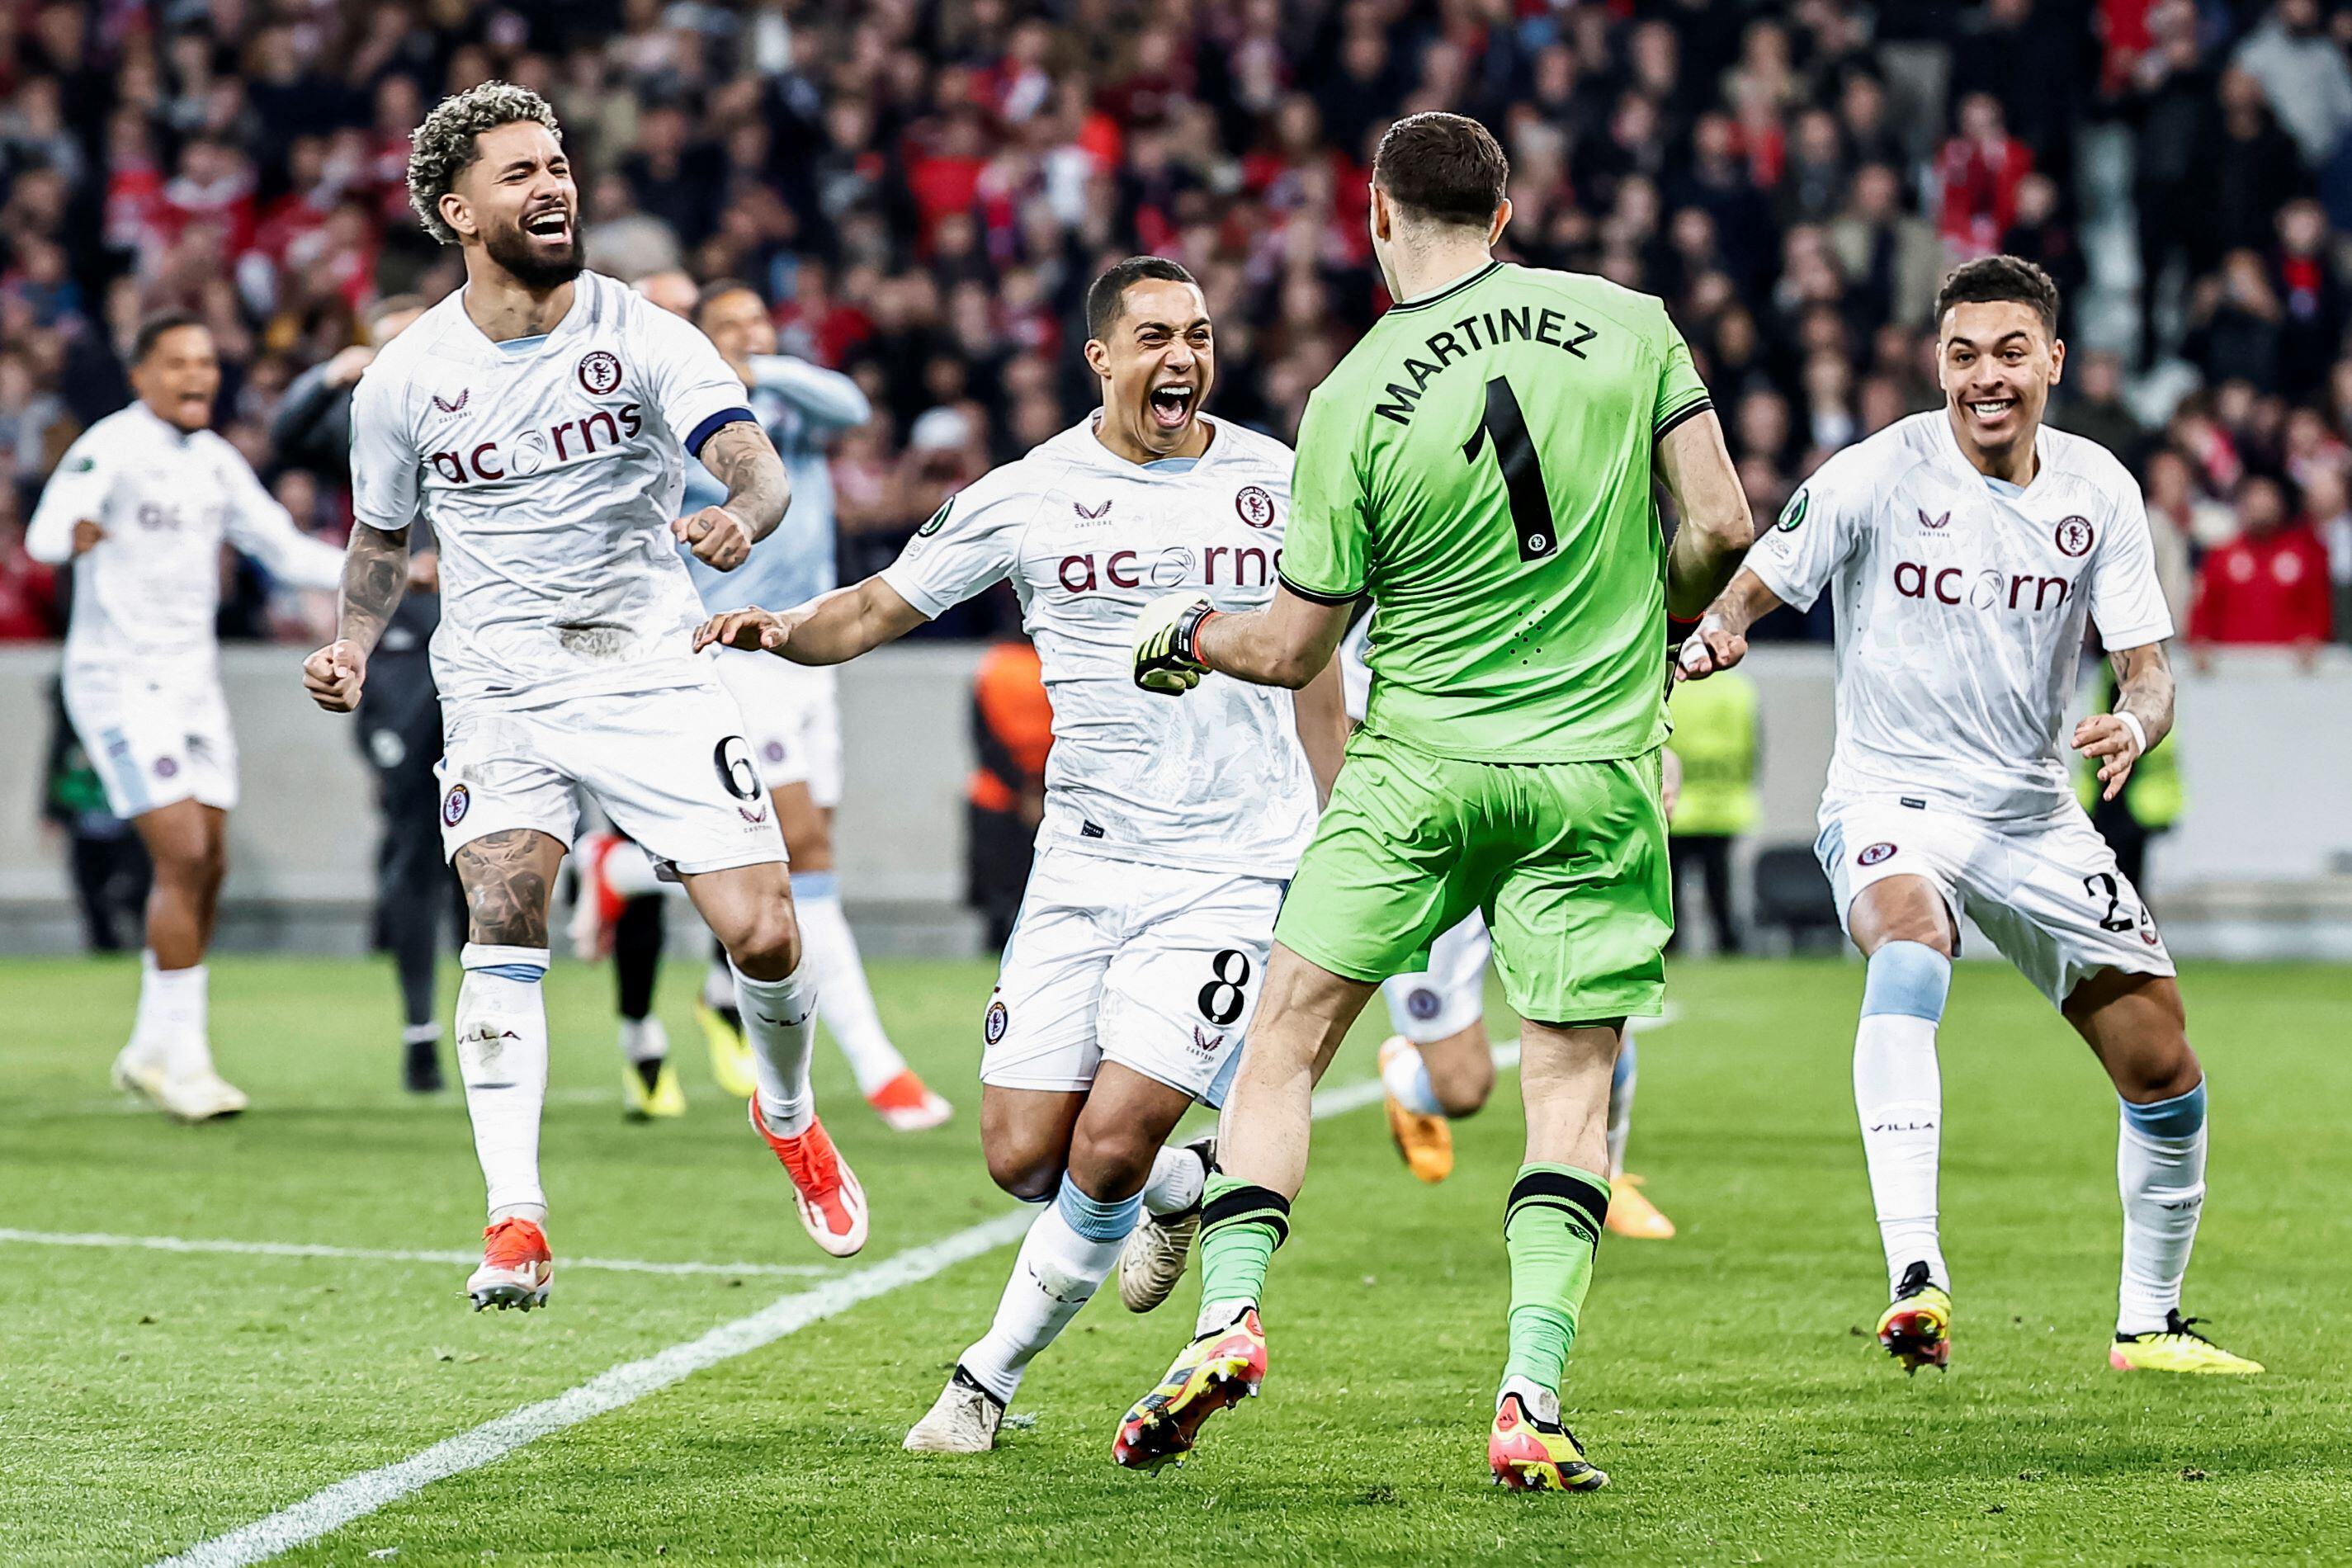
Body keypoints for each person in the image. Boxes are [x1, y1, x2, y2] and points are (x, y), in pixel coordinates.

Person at [1116, 113, 1752, 1489]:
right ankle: (1528, 1394)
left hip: (1417, 774)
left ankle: (1228, 1318)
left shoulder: (1348, 399)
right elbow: (1720, 529)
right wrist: (1660, 619)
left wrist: (1188, 637)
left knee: (1283, 1046)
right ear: (1507, 212)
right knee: (1568, 1082)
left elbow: (1289, 650)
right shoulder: (1630, 324)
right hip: (1591, 770)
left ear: (1377, 217)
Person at [695, 256, 1348, 1453]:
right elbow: (879, 606)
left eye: (1199, 335)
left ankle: (979, 1386)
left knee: (1101, 1143)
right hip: (1082, 867)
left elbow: (1320, 664)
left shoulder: (1279, 479)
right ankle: (1174, 1184)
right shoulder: (1031, 492)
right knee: (1019, 1156)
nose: (1184, 359)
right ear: (1099, 357)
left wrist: (1341, 809)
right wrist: (779, 630)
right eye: (1155, 336)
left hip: (1230, 866)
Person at [300, 82, 865, 1314]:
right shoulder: (404, 379)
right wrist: (350, 642)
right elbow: (381, 537)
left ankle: (790, 1113)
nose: (553, 185)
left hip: (648, 669)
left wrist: (741, 516)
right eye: (519, 173)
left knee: (765, 933)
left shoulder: (646, 332)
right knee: (502, 918)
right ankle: (516, 1218)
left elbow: (751, 462)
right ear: (457, 210)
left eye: (558, 164)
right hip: (499, 685)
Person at [1678, 254, 2261, 1378]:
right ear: (1933, 364)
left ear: (2050, 359)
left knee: (2164, 1070)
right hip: (1892, 794)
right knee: (1910, 937)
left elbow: (2146, 670)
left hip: (2033, 817)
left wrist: (2135, 727)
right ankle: (1913, 1271)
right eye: (1958, 355)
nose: (1981, 378)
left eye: (2005, 353)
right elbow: (1767, 568)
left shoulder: (2098, 490)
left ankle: (2146, 1323)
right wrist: (1723, 626)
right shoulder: (1878, 469)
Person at [575, 276, 951, 1132]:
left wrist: (761, 362)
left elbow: (850, 402)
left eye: (759, 321)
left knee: (800, 859)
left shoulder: (789, 403)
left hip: (811, 643)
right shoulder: (688, 416)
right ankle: (877, 1066)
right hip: (735, 643)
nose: (751, 334)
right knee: (802, 854)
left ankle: (622, 869)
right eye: (729, 326)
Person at [27, 312, 347, 1122]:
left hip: (194, 685)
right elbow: (45, 532)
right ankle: (189, 1062)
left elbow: (279, 548)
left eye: (206, 361)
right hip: (119, 684)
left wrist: (379, 571)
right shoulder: (111, 445)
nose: (198, 375)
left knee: (210, 866)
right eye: (177, 363)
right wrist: (77, 530)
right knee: (184, 848)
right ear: (141, 376)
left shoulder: (213, 461)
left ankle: (149, 1047)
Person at [1338, 616, 1679, 1242]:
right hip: (1429, 831)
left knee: (1592, 1000)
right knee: (1462, 1089)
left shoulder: (1554, 553)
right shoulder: (1400, 573)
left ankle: (1611, 1178)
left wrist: (1654, 750)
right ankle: (1409, 1079)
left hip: (1548, 807)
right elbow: (1334, 701)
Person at [272, 293, 456, 1093]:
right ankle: (420, 1026)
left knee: (491, 846)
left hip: (480, 631)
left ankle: (497, 1018)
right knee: (413, 837)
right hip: (396, 638)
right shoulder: (364, 415)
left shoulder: (471, 398)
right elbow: (286, 443)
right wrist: (326, 376)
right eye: (386, 344)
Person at [965, 629, 1052, 952]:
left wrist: (1019, 787)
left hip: (996, 794)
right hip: (1055, 795)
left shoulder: (992, 665)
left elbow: (982, 735)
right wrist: (1038, 789)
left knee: (997, 896)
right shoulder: (1058, 662)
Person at [1662, 663, 1759, 955]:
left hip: (1678, 803)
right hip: (1724, 802)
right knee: (1721, 884)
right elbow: (1753, 747)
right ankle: (1728, 943)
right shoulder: (1739, 690)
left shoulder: (1671, 688)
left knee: (1670, 885)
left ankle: (1671, 945)